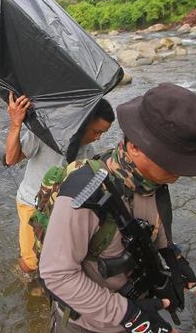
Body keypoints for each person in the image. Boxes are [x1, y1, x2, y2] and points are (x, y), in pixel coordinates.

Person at [39, 83, 196, 333]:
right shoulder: (85, 191)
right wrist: (132, 317)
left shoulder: (153, 182)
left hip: (133, 307)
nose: (179, 173)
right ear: (135, 147)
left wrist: (174, 259)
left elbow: (153, 231)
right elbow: (57, 276)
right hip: (87, 324)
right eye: (172, 162)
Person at [6, 95, 115, 274]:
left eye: (103, 133)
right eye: (96, 131)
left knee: (57, 256)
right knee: (31, 263)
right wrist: (16, 123)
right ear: (83, 122)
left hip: (59, 210)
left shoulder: (88, 150)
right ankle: (24, 274)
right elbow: (11, 159)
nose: (98, 138)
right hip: (32, 204)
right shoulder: (45, 134)